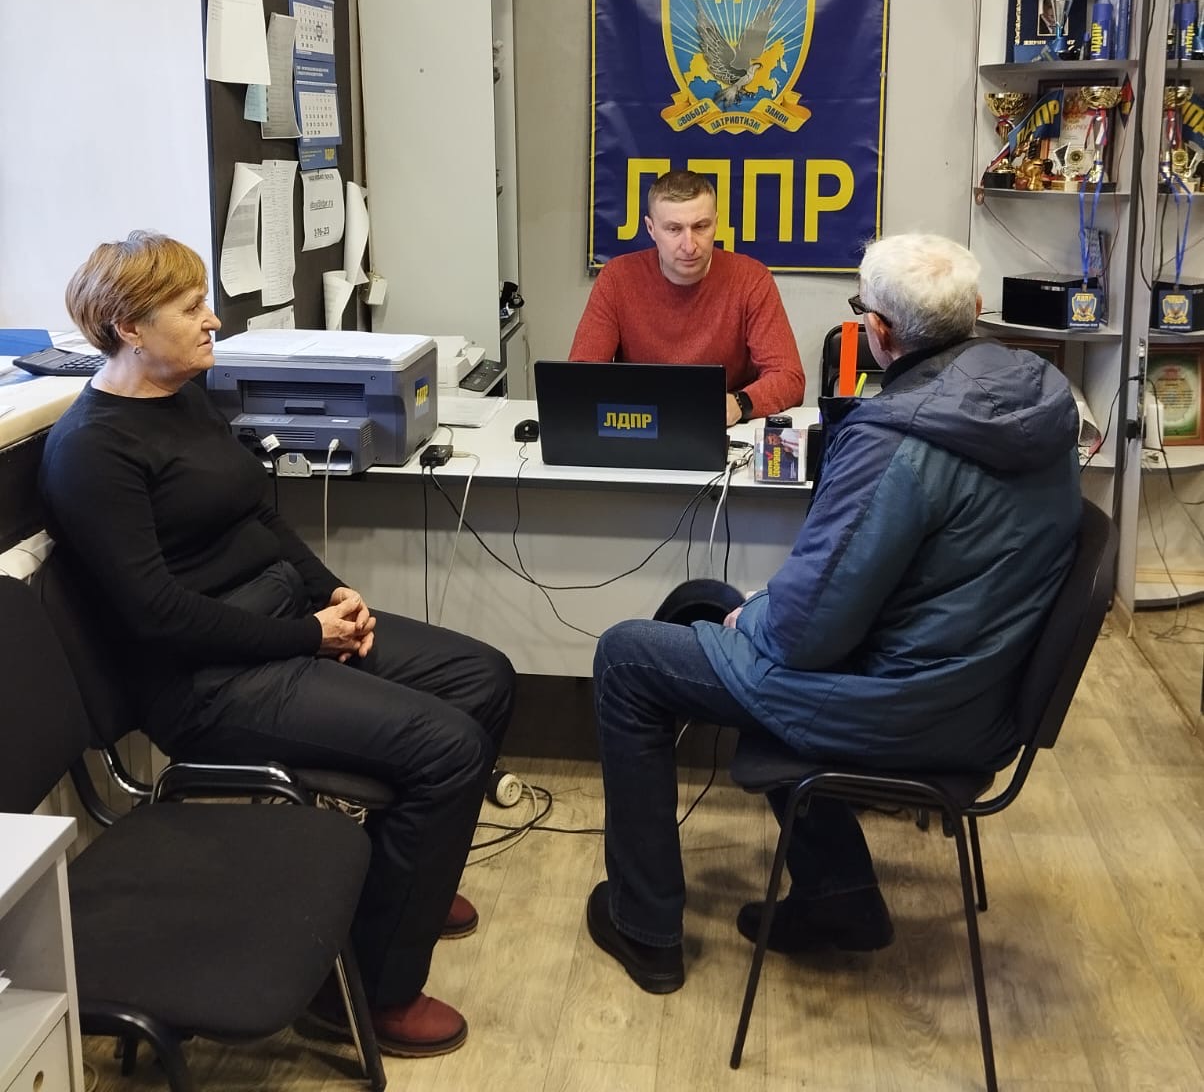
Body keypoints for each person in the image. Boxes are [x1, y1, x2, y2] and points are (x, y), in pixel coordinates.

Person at [38, 232, 514, 1058]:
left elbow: (260, 518)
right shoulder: (92, 450)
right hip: (207, 683)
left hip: (283, 622)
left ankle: (406, 888)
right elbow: (158, 616)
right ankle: (368, 992)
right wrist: (308, 635)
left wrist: (333, 592)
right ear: (129, 328)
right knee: (449, 748)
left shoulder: (185, 397)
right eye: (191, 308)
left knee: (485, 677)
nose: (212, 320)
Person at [585, 233, 1081, 994]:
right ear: (976, 310)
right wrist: (755, 611)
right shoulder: (1036, 401)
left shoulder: (895, 439)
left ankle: (645, 928)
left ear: (877, 331)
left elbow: (806, 636)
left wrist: (756, 617)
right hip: (976, 686)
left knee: (626, 656)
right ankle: (837, 895)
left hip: (906, 703)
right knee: (705, 601)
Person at [569, 169, 805, 426]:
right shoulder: (617, 278)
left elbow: (789, 377)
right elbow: (581, 377)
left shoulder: (751, 279)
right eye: (674, 229)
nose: (690, 245)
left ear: (716, 223)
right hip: (640, 424)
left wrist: (739, 403)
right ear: (651, 228)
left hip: (723, 426)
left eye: (701, 226)